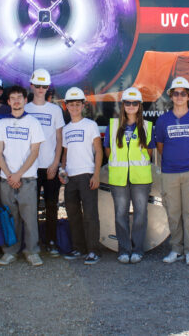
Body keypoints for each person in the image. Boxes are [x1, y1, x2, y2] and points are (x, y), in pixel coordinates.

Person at [154, 77, 189, 266]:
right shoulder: (163, 120)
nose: (179, 96)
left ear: (188, 97)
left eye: (183, 93)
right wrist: (173, 159)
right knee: (173, 212)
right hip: (170, 172)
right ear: (171, 96)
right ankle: (176, 249)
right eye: (176, 93)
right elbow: (160, 146)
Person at [0, 85, 45, 266]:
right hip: (6, 180)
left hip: (28, 179)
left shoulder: (33, 123)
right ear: (8, 102)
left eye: (19, 97)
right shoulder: (1, 123)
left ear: (25, 100)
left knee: (30, 218)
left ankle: (32, 252)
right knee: (10, 218)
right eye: (12, 98)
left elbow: (35, 152)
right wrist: (9, 175)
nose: (16, 100)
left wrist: (19, 175)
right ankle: (10, 252)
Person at [103, 87, 155, 264]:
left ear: (139, 106)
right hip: (119, 178)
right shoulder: (113, 126)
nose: (131, 106)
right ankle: (124, 250)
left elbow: (149, 151)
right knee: (120, 214)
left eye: (134, 103)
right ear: (123, 105)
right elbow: (108, 150)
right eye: (128, 103)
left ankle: (138, 250)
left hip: (140, 178)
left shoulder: (147, 126)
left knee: (141, 213)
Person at [24, 68, 65, 256]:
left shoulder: (55, 110)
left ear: (48, 88)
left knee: (51, 206)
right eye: (37, 85)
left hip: (49, 166)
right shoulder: (24, 109)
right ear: (31, 86)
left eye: (44, 86)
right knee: (29, 208)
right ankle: (32, 244)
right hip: (30, 168)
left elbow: (59, 139)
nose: (40, 89)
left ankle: (51, 241)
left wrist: (55, 163)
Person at [60, 87, 103, 264]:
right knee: (73, 214)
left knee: (90, 215)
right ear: (66, 107)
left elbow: (99, 151)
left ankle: (94, 251)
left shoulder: (90, 125)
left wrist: (96, 174)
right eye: (71, 105)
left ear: (83, 106)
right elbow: (65, 153)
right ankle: (79, 248)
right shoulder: (66, 129)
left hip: (87, 175)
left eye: (78, 104)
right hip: (71, 177)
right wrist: (62, 171)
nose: (75, 108)